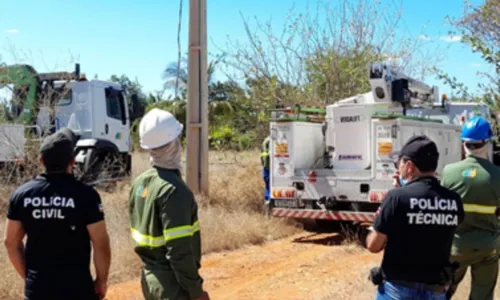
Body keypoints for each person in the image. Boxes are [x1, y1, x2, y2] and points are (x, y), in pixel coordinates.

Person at [3, 127, 111, 300]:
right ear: (72, 161)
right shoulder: (86, 195)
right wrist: (102, 280)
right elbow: (100, 244)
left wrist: (30, 278)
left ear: (41, 160)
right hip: (78, 290)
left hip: (37, 290)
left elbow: (10, 243)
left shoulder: (22, 195)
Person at [365, 135, 465, 300]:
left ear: (410, 166)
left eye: (400, 163)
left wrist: (389, 207)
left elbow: (374, 245)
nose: (398, 168)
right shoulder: (454, 200)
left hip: (397, 289)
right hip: (436, 289)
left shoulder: (396, 197)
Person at [129, 108, 209, 300]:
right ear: (174, 144)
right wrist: (196, 291)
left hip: (150, 281)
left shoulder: (140, 182)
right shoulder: (174, 190)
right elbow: (178, 251)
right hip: (172, 286)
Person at [440, 116, 500, 300]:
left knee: (442, 291)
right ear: (487, 143)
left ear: (464, 143)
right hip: (487, 246)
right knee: (482, 295)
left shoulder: (449, 171)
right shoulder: (497, 175)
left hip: (455, 246)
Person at [261, 135, 271, 207]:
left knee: (268, 187)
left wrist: (263, 165)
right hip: (271, 168)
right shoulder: (270, 141)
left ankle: (267, 205)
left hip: (266, 168)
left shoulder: (265, 141)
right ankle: (269, 203)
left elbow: (262, 157)